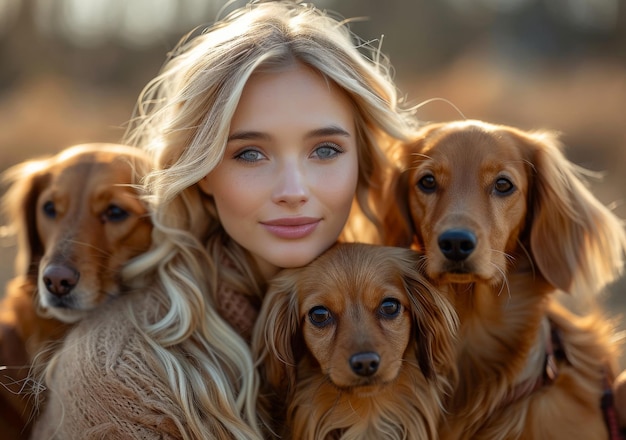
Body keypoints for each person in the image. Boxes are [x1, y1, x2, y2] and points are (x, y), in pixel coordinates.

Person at [30, 1, 420, 439]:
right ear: (201, 173)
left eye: (325, 149)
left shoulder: (416, 318)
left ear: (363, 162)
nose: (293, 190)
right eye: (249, 153)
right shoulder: (120, 371)